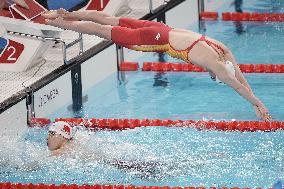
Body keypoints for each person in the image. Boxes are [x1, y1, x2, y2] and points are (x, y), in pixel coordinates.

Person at [42, 9, 271, 121]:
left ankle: (64, 13)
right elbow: (235, 84)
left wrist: (252, 95)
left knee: (108, 19)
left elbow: (238, 74)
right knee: (101, 30)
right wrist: (257, 104)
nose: (214, 75)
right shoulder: (215, 64)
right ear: (219, 72)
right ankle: (60, 22)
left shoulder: (220, 48)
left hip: (161, 29)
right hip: (154, 41)